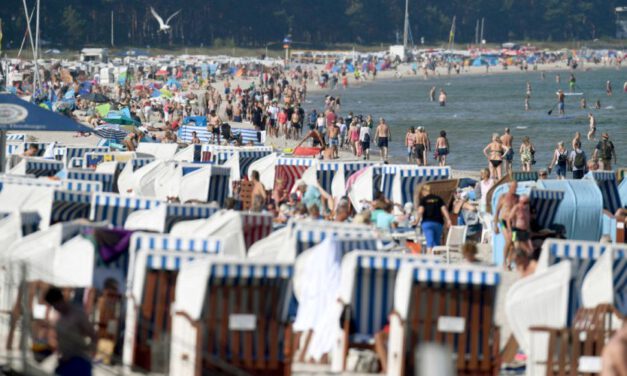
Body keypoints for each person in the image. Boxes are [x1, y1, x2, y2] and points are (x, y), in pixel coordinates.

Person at [44, 287, 97, 376]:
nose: (55, 309)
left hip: (79, 361)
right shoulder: (59, 319)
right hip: (65, 361)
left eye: (55, 305)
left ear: (60, 301)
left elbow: (93, 335)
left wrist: (92, 354)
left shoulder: (77, 314)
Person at [416, 185, 452, 253]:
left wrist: (416, 221)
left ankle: (430, 260)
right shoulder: (438, 198)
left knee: (429, 242)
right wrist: (448, 219)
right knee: (436, 242)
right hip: (438, 223)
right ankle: (437, 260)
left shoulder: (423, 200)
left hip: (427, 223)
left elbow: (420, 211)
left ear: (423, 191)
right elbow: (444, 209)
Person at [494, 182, 519, 269]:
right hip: (503, 222)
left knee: (513, 244)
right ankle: (504, 262)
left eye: (516, 187)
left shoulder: (517, 198)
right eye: (514, 187)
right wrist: (495, 225)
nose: (515, 188)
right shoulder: (503, 197)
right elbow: (497, 211)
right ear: (509, 187)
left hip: (514, 224)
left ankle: (509, 262)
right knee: (509, 240)